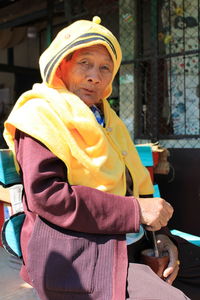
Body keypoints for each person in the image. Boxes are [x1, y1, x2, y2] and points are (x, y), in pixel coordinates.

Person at [3, 16, 191, 300]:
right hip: (81, 252)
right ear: (61, 65)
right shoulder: (40, 115)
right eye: (84, 63)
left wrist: (162, 236)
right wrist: (135, 211)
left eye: (105, 67)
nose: (95, 76)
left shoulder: (107, 119)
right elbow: (48, 196)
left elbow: (133, 184)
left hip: (130, 241)